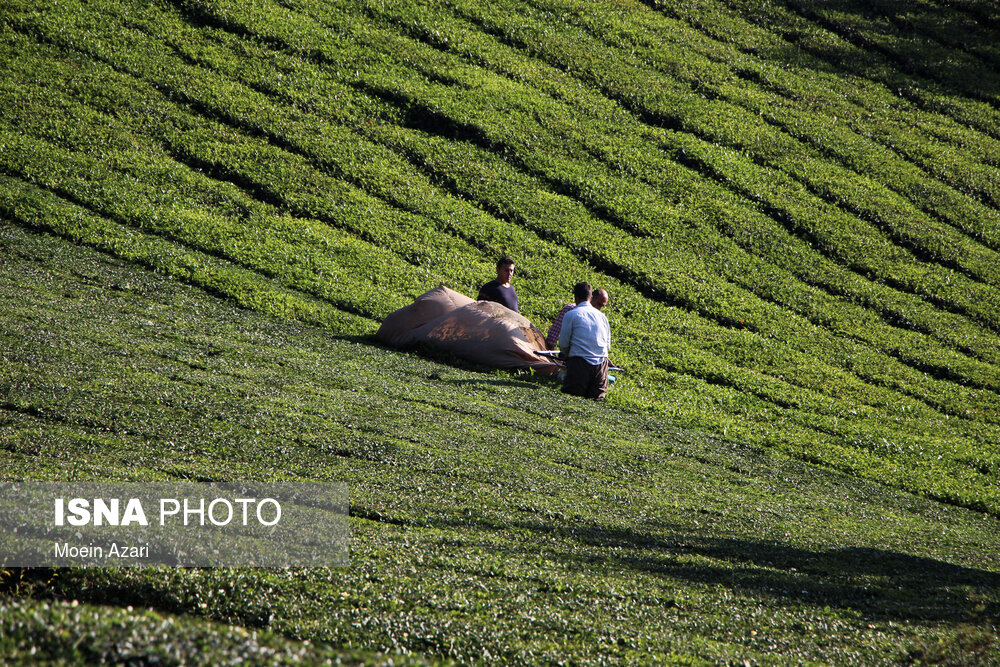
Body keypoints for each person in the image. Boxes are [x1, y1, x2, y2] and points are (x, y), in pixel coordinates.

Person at [557, 282, 611, 400]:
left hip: (579, 365)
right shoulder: (603, 317)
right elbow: (607, 346)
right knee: (596, 402)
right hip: (601, 368)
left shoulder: (571, 314)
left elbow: (564, 344)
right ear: (591, 298)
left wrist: (567, 357)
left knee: (572, 398)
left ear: (575, 297)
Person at [546, 287, 610, 349]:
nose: (599, 308)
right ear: (591, 298)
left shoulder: (601, 318)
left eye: (602, 306)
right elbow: (554, 333)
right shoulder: (570, 309)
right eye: (598, 304)